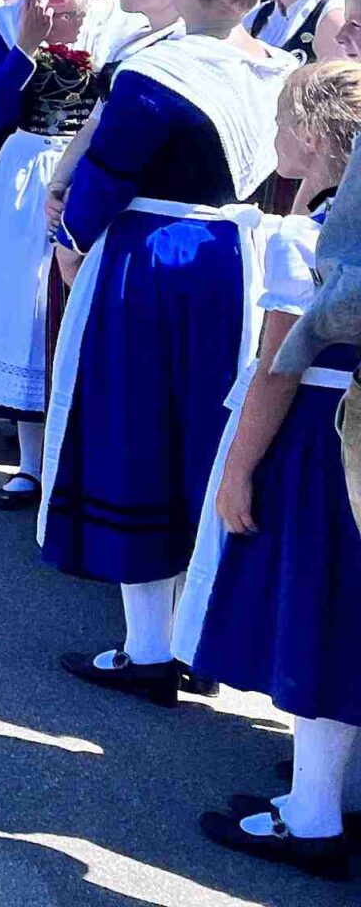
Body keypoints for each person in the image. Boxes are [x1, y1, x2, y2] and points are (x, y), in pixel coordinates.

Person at [41, 0, 297, 704]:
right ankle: (201, 639)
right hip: (241, 262)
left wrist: (68, 240)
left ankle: (148, 647)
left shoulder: (158, 72)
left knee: (135, 434)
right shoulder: (282, 67)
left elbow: (104, 178)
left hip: (151, 261)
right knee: (211, 441)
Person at [174, 60, 361, 878]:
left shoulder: (303, 235)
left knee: (320, 615)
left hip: (320, 437)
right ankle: (341, 791)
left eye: (284, 122)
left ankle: (312, 816)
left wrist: (238, 469)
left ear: (315, 138)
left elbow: (279, 368)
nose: (276, 136)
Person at [0, 0, 137, 505]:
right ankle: (30, 462)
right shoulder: (4, 24)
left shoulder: (119, 22)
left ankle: (85, 457)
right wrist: (26, 49)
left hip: (92, 171)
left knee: (87, 307)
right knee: (27, 311)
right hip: (25, 173)